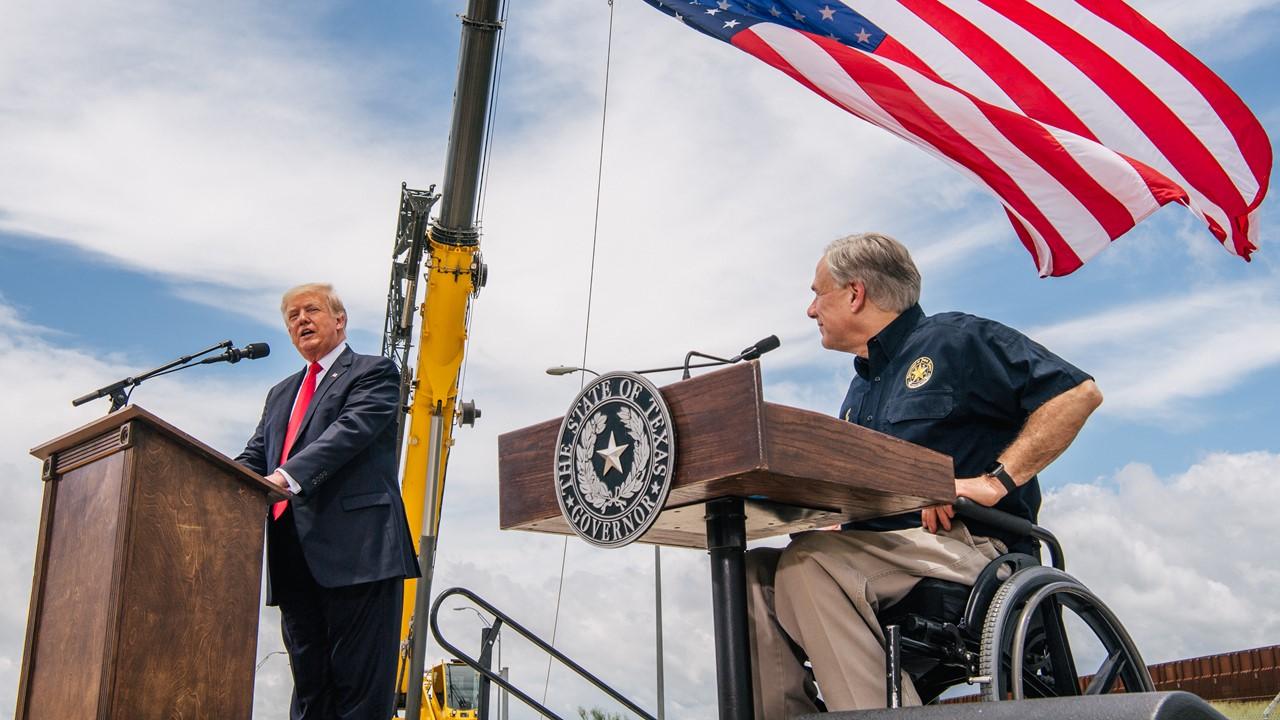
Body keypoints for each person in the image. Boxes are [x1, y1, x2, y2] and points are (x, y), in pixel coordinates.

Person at [747, 233, 1102, 718]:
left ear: (855, 293)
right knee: (749, 575)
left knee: (808, 565)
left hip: (969, 550)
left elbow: (1076, 395)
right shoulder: (860, 386)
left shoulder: (956, 340)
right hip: (877, 553)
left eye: (817, 293)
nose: (811, 310)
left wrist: (993, 482)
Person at [237, 283, 419, 720]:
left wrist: (287, 476)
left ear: (339, 320)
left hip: (359, 555)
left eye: (311, 310)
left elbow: (349, 432)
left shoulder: (375, 373)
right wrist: (209, 479)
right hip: (293, 557)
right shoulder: (281, 393)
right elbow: (256, 454)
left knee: (358, 693)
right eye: (292, 317)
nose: (301, 320)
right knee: (310, 691)